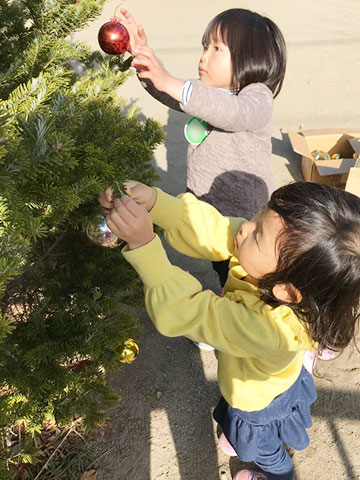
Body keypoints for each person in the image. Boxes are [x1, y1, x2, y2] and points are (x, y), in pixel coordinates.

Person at [99, 180, 360, 480]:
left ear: (287, 291)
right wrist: (158, 203)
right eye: (261, 214)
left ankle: (280, 474)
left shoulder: (267, 331)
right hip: (265, 376)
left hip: (257, 406)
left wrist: (144, 244)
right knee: (236, 412)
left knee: (264, 451)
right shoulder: (277, 267)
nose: (246, 227)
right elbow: (214, 229)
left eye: (258, 233)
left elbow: (191, 310)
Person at [119, 7, 287, 292]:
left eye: (217, 48)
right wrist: (143, 56)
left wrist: (171, 82)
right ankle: (228, 312)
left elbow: (232, 113)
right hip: (205, 206)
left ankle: (245, 326)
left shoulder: (257, 97)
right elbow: (170, 91)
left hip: (244, 219)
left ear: (251, 58)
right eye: (204, 46)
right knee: (221, 266)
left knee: (245, 278)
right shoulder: (210, 91)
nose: (204, 56)